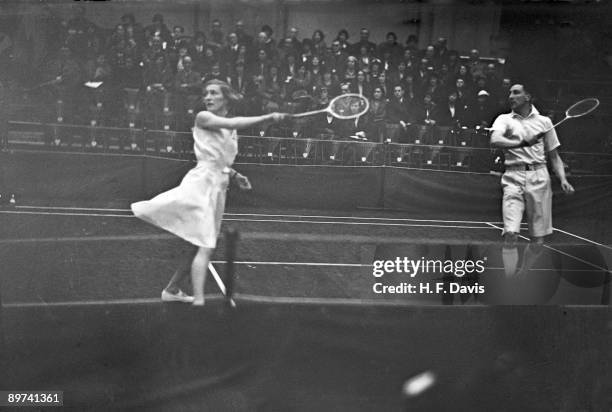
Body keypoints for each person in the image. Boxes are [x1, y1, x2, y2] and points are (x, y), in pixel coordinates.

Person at [131, 80, 288, 305]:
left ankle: (172, 289)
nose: (208, 97)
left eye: (214, 93)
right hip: (202, 184)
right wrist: (268, 117)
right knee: (206, 246)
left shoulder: (229, 128)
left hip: (218, 186)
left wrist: (234, 175)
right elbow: (233, 124)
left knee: (197, 243)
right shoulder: (204, 117)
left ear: (226, 97)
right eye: (206, 94)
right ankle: (200, 304)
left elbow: (219, 158)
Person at [490, 83, 574, 281]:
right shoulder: (504, 119)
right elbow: (494, 139)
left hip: (539, 177)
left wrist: (562, 179)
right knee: (510, 234)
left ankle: (523, 274)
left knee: (538, 241)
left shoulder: (545, 123)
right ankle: (509, 280)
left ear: (528, 96)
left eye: (516, 92)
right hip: (512, 176)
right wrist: (521, 142)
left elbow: (554, 156)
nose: (511, 96)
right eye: (510, 92)